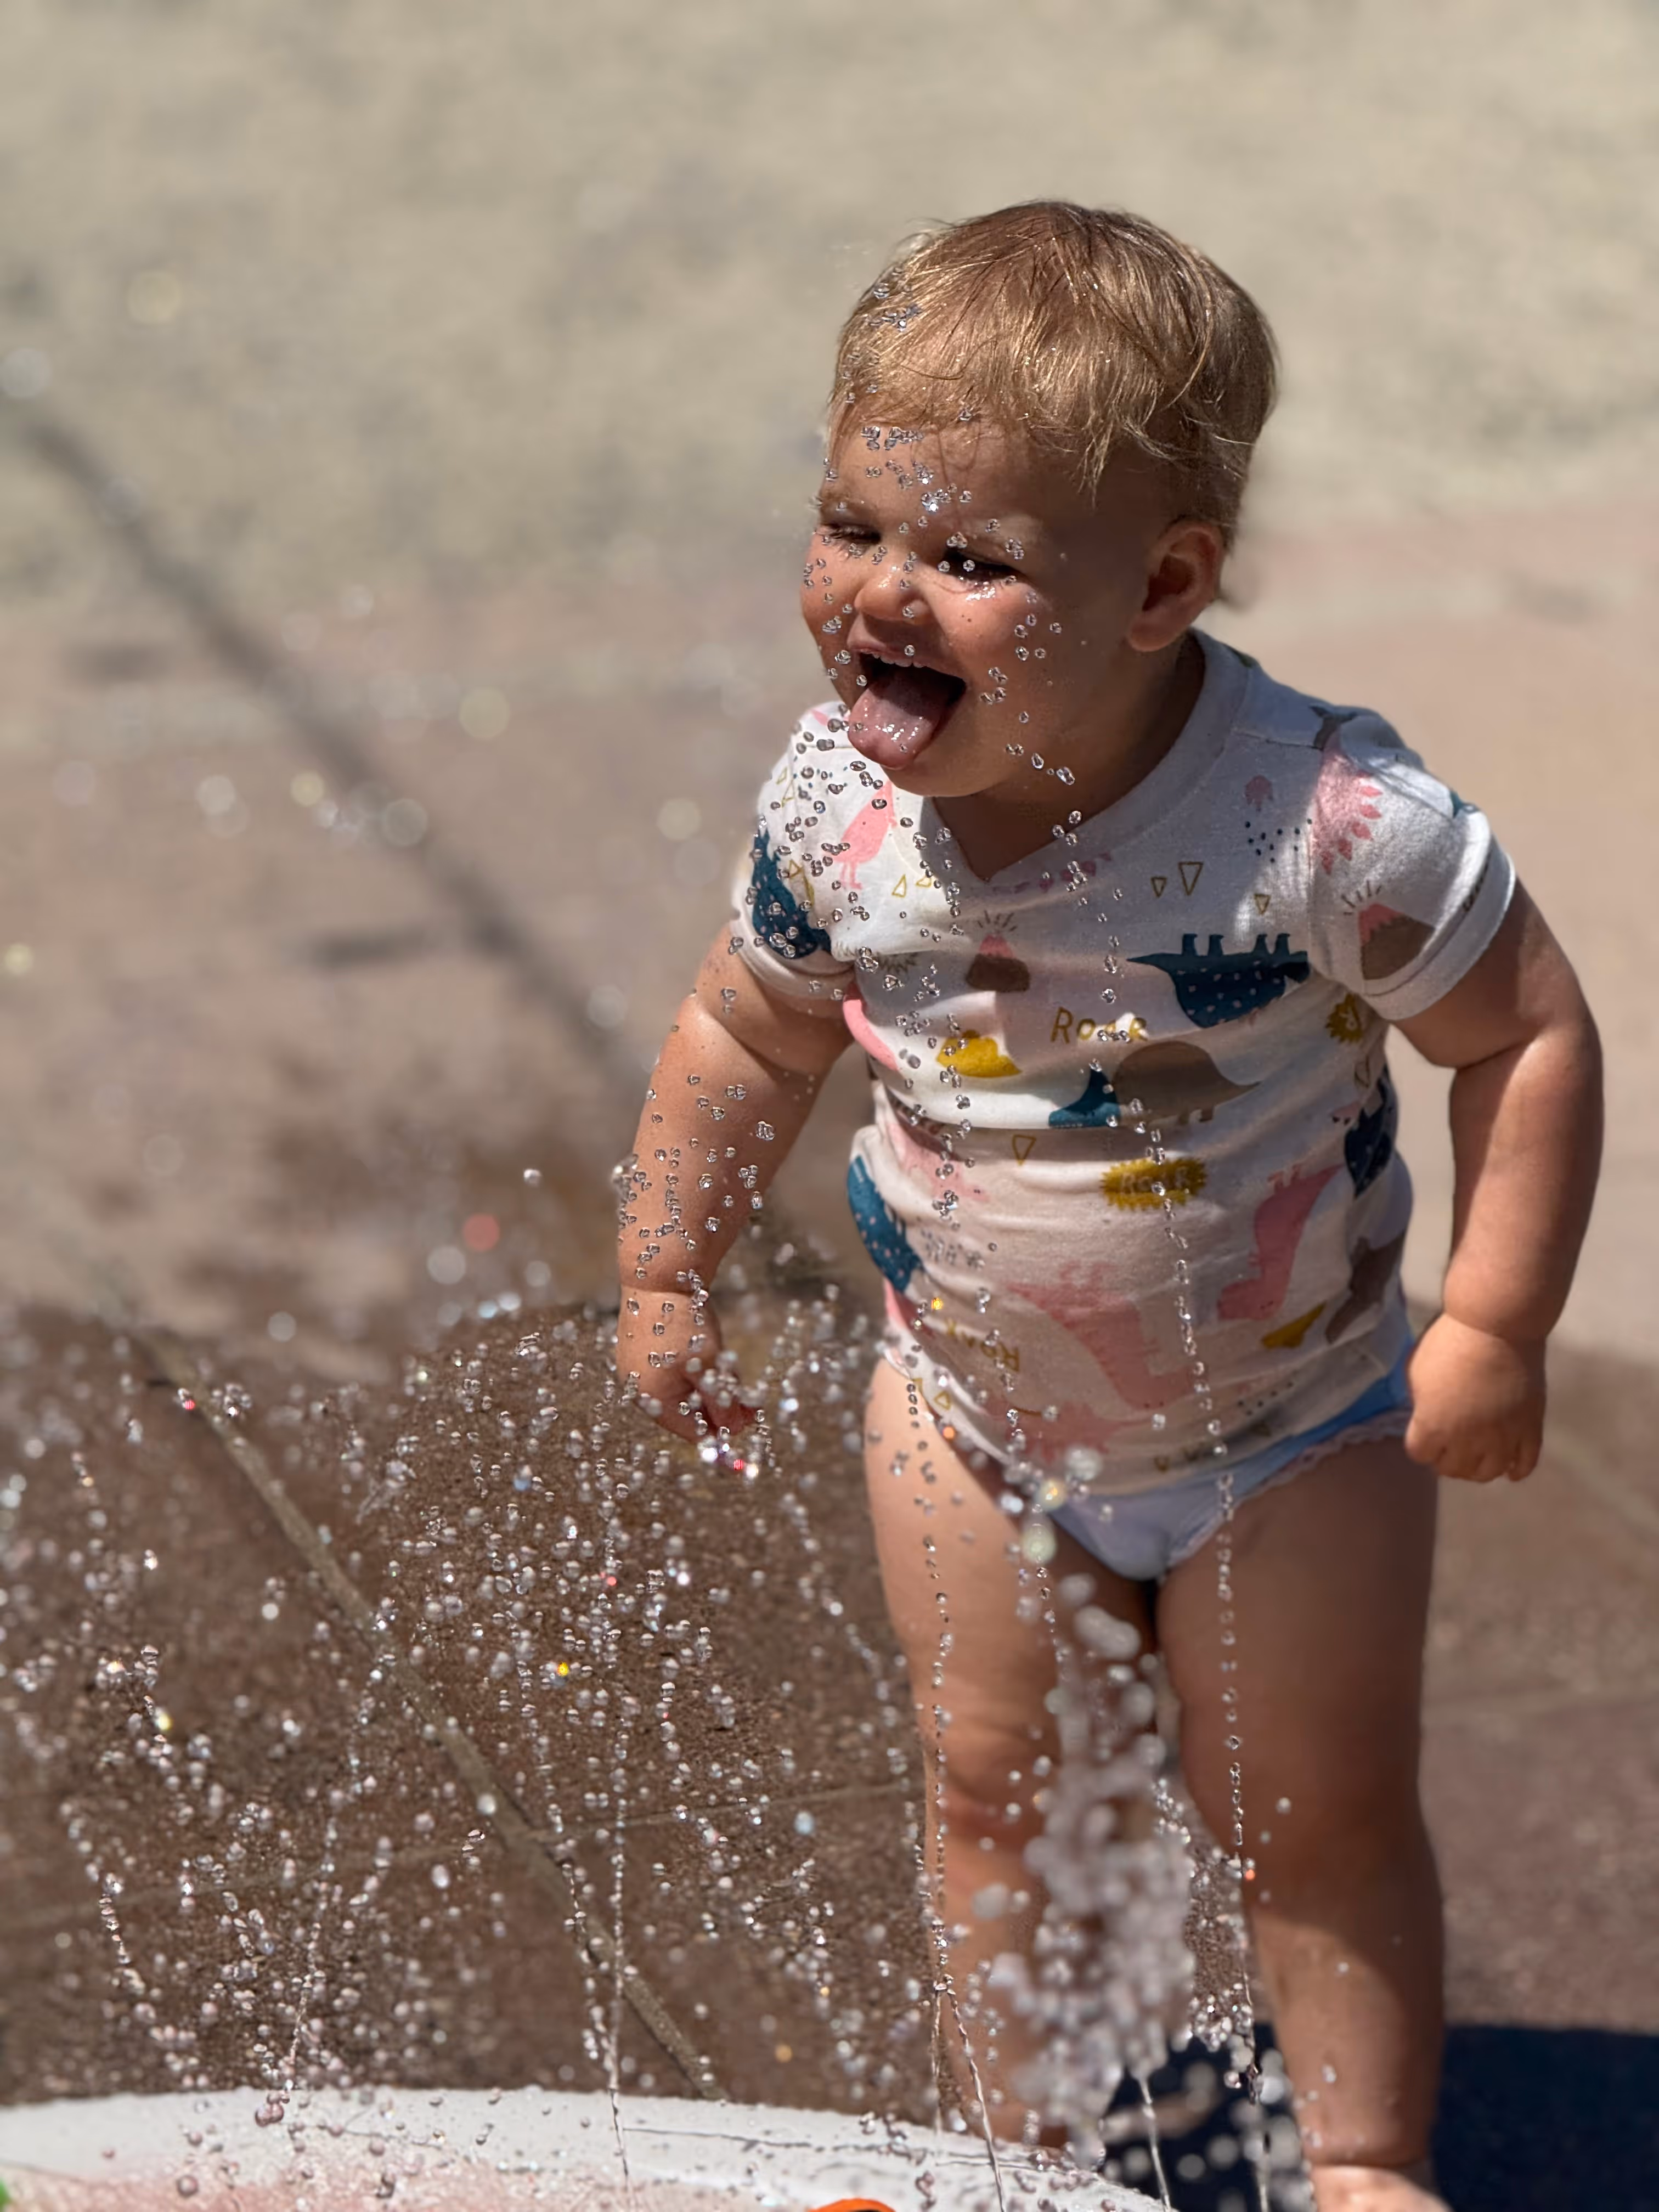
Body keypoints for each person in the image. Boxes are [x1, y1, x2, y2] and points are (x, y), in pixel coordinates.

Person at [613, 203, 1602, 2211]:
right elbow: (744, 1031)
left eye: (968, 561)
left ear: (1163, 585)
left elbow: (1528, 1031)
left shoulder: (1316, 821)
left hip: (1299, 1421)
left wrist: (1495, 1323)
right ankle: (1024, 2160)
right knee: (990, 1799)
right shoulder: (839, 807)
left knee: (1309, 1822)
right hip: (970, 1417)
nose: (883, 595)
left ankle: (1367, 2161)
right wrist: (662, 1260)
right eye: (856, 525)